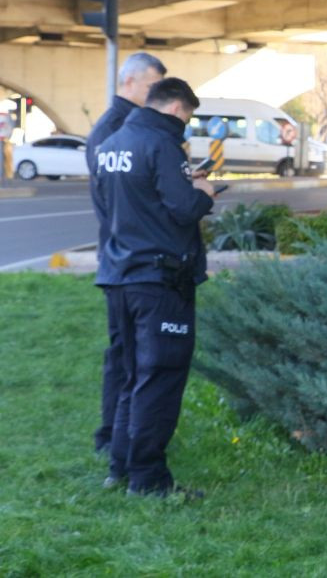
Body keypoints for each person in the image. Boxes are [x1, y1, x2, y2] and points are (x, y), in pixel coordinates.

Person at [94, 78, 217, 496]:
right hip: (160, 280)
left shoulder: (111, 145)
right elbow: (183, 210)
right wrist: (203, 192)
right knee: (160, 377)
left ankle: (121, 467)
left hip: (119, 275)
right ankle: (149, 480)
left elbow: (118, 206)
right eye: (187, 117)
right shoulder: (161, 142)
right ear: (177, 109)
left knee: (132, 376)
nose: (184, 124)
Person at [85, 52, 167, 457]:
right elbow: (114, 203)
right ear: (129, 82)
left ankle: (127, 436)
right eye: (153, 87)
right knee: (123, 354)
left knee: (132, 353)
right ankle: (112, 437)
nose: (158, 96)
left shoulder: (128, 127)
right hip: (125, 260)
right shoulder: (114, 131)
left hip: (124, 257)